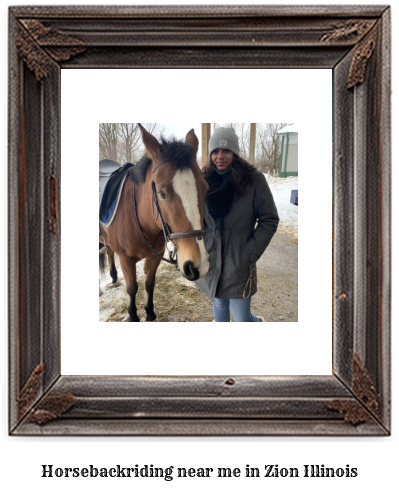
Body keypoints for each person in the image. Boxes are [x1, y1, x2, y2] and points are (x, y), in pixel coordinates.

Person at [195, 127, 279, 322]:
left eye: (226, 150)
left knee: (242, 319)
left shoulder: (253, 180)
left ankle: (255, 322)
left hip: (238, 261)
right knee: (220, 304)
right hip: (212, 259)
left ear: (235, 153)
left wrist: (249, 253)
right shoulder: (203, 181)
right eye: (215, 151)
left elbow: (269, 219)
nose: (220, 156)